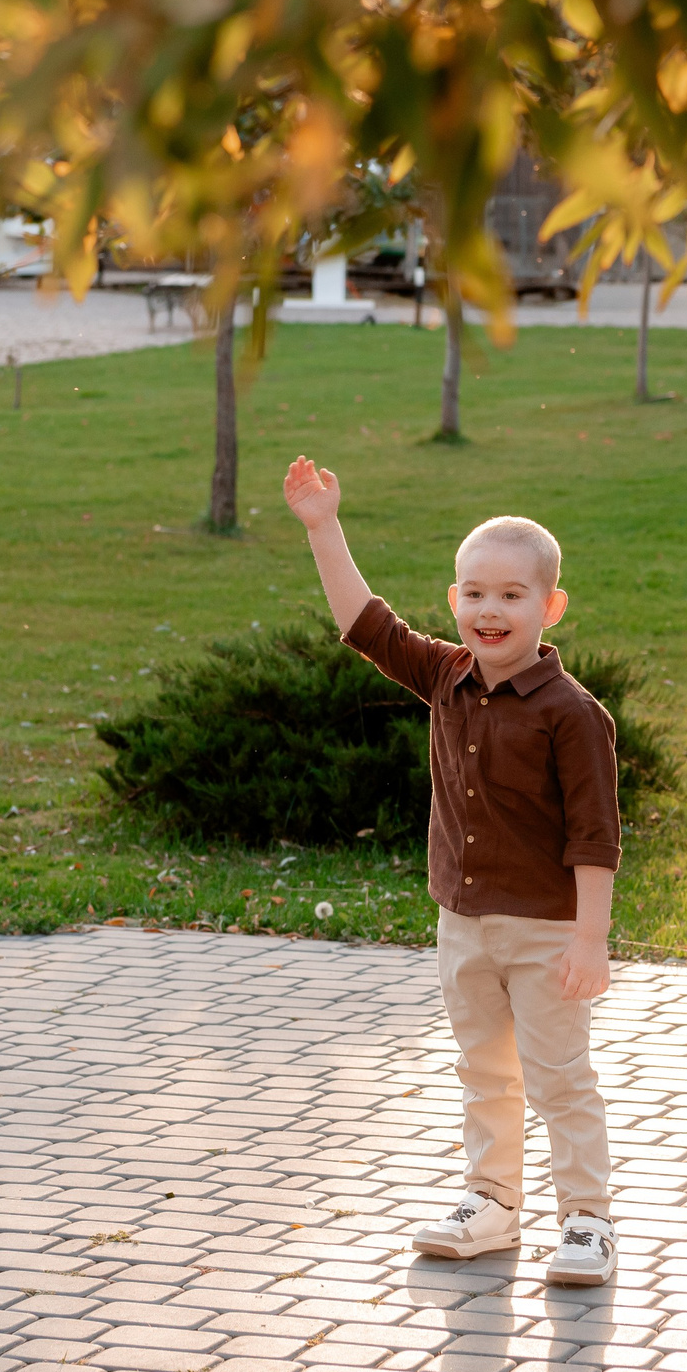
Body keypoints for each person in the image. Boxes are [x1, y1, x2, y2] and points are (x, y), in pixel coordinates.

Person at [282, 456, 621, 1286]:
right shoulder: (445, 676)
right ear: (455, 603)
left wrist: (589, 939)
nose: (490, 610)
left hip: (545, 931)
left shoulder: (573, 715)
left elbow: (595, 837)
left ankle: (585, 1219)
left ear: (551, 607)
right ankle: (492, 1203)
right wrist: (324, 526)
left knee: (557, 1076)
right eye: (474, 593)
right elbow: (365, 622)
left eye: (511, 595)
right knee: (482, 1067)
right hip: (463, 924)